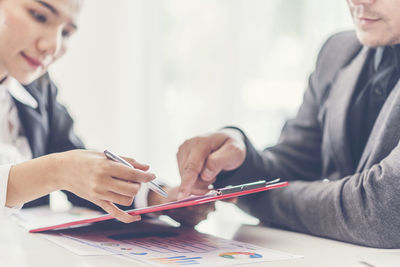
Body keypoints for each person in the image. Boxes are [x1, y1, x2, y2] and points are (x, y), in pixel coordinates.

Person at [176, 0, 400, 248]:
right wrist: (236, 162)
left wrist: (252, 194)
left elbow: (383, 211)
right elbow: (294, 164)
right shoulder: (338, 52)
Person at [0, 0, 213, 226]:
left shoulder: (38, 89)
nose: (52, 46)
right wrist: (56, 171)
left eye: (68, 33)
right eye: (39, 16)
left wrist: (161, 197)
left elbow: (79, 172)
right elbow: (63, 167)